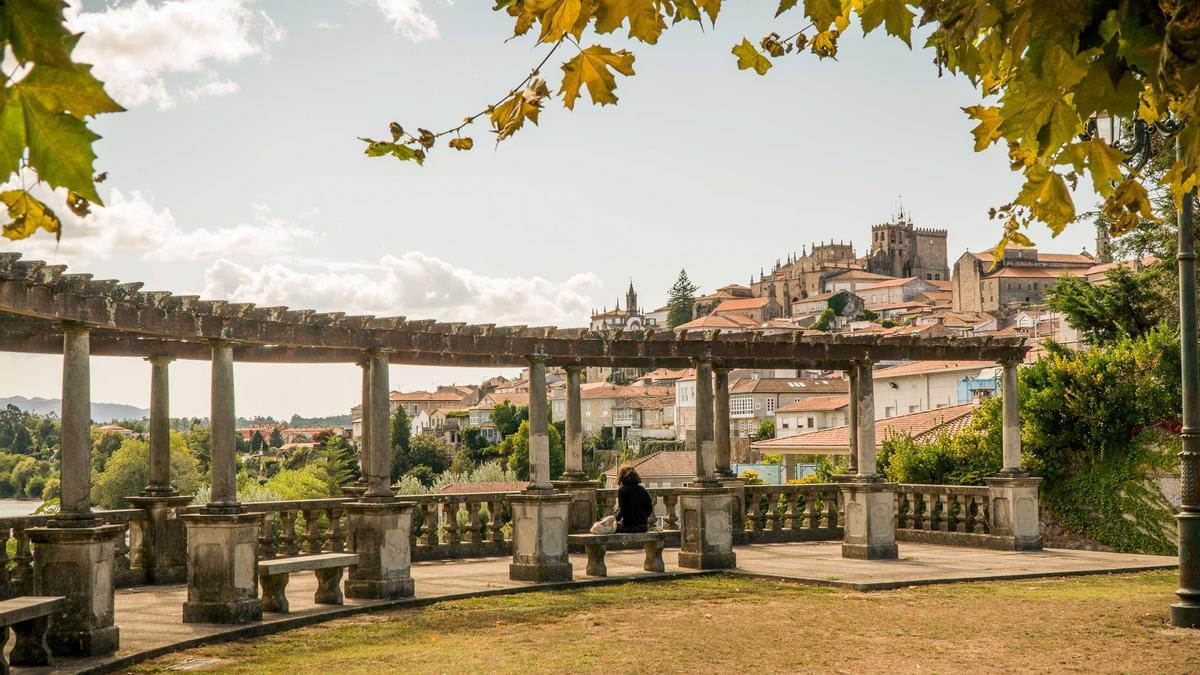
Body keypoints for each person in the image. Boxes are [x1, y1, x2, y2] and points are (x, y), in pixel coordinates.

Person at [615, 464, 654, 533]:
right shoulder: (642, 489)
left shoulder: (622, 490)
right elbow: (649, 509)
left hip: (628, 527)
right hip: (643, 527)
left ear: (621, 477)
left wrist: (614, 520)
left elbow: (623, 511)